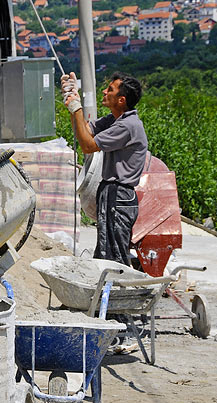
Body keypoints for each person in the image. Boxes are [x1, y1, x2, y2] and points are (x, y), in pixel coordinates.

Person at [61, 71, 148, 267]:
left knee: (114, 257)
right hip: (112, 193)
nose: (104, 92)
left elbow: (87, 146)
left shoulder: (127, 126)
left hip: (119, 194)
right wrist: (72, 100)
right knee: (105, 251)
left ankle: (116, 293)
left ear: (121, 100)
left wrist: (77, 107)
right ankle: (106, 294)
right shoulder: (115, 120)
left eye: (110, 90)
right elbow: (84, 131)